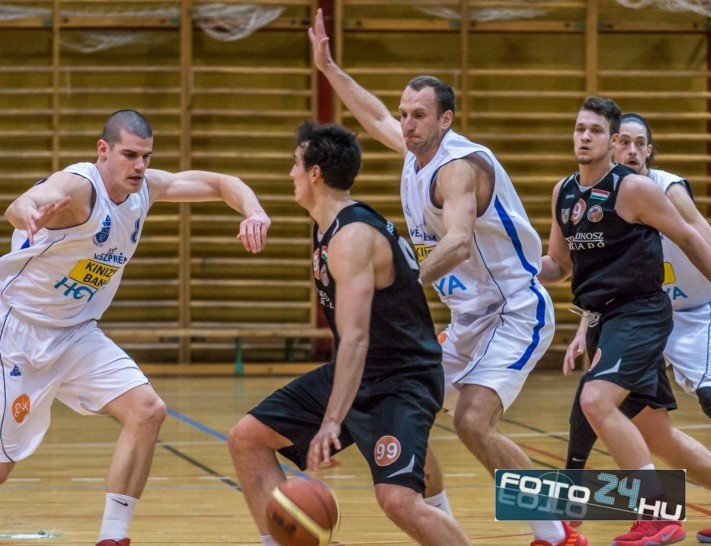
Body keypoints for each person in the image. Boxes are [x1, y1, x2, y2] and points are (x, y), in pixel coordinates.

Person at [308, 9, 585, 546]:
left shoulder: (458, 168)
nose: (407, 124)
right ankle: (442, 525)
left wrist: (400, 283)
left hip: (513, 311)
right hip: (466, 318)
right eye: (405, 114)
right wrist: (330, 69)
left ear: (446, 120)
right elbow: (374, 117)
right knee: (405, 406)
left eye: (419, 115)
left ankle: (557, 535)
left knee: (472, 423)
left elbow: (458, 242)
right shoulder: (414, 153)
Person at [0, 109, 271, 546]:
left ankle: (113, 538)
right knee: (2, 466)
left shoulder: (146, 187)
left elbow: (222, 182)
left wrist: (254, 211)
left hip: (77, 332)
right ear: (103, 150)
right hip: (19, 331)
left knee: (147, 411)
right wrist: (29, 213)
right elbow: (24, 203)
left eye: (146, 156)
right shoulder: (80, 188)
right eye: (129, 155)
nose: (140, 165)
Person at [227, 121, 471, 545]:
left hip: (401, 379)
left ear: (315, 173)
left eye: (295, 164)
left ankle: (522, 525)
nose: (290, 173)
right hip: (364, 371)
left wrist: (332, 421)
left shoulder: (352, 237)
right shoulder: (330, 225)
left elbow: (357, 338)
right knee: (247, 438)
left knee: (399, 497)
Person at [539, 97, 711, 546]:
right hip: (604, 319)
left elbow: (689, 237)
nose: (585, 137)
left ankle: (657, 516)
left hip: (640, 313)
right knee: (658, 436)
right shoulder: (563, 192)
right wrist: (514, 267)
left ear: (611, 141)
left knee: (595, 401)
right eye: (580, 129)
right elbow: (558, 265)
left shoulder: (634, 189)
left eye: (595, 130)